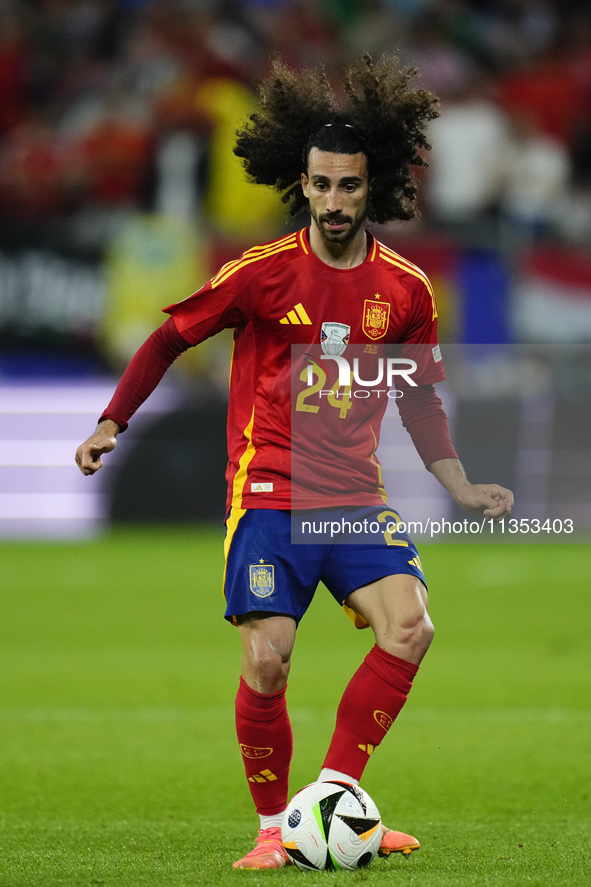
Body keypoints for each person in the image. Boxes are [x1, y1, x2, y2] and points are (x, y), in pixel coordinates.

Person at [76, 55, 513, 870]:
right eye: (321, 185)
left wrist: (453, 476)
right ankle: (274, 826)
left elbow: (418, 399)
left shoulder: (408, 291)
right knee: (267, 657)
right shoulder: (262, 273)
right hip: (270, 489)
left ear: (369, 186)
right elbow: (172, 336)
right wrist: (112, 419)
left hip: (353, 496)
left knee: (411, 625)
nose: (336, 201)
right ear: (301, 185)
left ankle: (337, 804)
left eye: (350, 186)